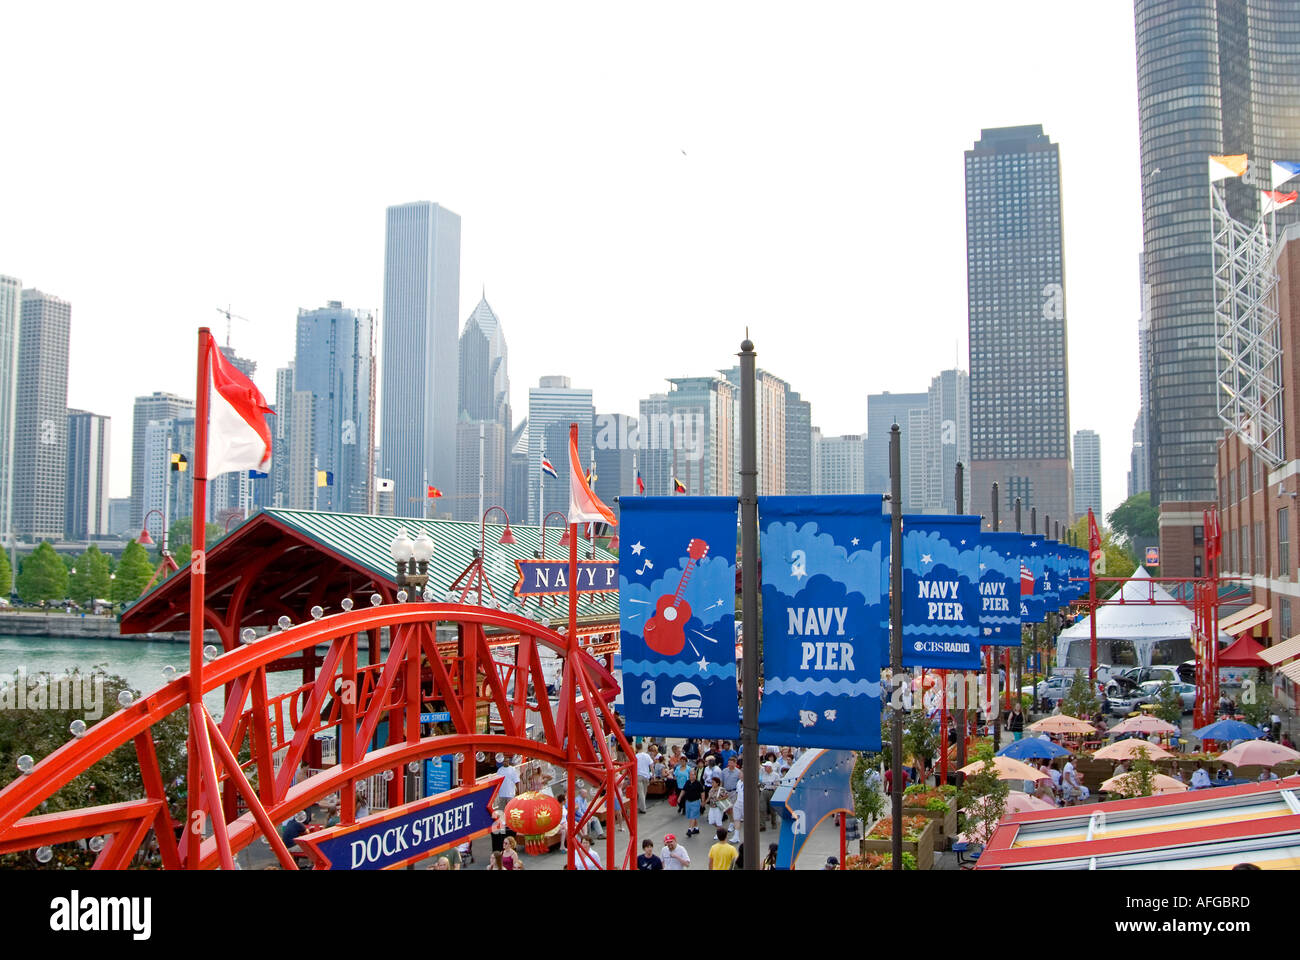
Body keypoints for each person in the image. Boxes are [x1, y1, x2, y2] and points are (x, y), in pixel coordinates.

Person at [682, 768, 704, 837]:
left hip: (696, 802)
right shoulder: (687, 782)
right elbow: (684, 790)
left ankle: (690, 829)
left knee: (693, 816)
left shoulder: (698, 783)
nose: (692, 776)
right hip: (688, 801)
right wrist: (679, 798)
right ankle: (696, 828)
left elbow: (702, 793)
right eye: (691, 775)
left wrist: (703, 801)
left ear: (696, 775)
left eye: (694, 775)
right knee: (692, 816)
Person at [635, 743, 652, 814]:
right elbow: (651, 765)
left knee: (640, 792)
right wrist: (652, 774)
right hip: (646, 775)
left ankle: (643, 807)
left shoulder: (635, 756)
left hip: (638, 775)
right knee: (644, 792)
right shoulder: (647, 755)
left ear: (636, 748)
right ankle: (641, 806)